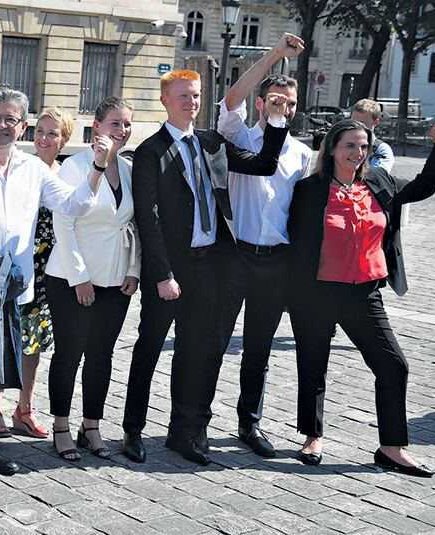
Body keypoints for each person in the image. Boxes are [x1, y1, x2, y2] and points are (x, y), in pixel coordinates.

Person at [0, 87, 105, 498]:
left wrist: (99, 164)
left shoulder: (34, 170)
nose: (2, 125)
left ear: (22, 126)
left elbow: (76, 206)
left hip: (11, 292)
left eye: (11, 119)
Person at [125, 69, 288, 466]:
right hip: (169, 271)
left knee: (197, 353)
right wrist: (163, 275)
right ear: (165, 100)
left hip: (210, 267)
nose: (191, 102)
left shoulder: (213, 143)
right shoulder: (150, 151)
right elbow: (149, 218)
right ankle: (132, 429)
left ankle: (185, 432)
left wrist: (277, 118)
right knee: (148, 349)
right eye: (183, 96)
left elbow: (265, 164)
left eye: (196, 95)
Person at [288, 119, 435, 477]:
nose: (358, 154)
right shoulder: (310, 190)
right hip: (317, 291)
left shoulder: (378, 182)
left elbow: (421, 187)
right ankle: (313, 436)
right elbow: (295, 243)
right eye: (350, 146)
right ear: (332, 149)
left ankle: (391, 448)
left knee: (393, 365)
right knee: (313, 365)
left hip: (365, 293)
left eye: (363, 147)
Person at [213, 33, 312, 459]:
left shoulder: (303, 155)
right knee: (213, 341)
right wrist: (273, 56)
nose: (282, 109)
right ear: (261, 102)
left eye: (289, 105)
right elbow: (231, 97)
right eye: (274, 101)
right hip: (236, 257)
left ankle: (249, 423)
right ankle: (194, 420)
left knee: (259, 349)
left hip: (276, 263)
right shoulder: (239, 138)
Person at [45, 97, 139, 461]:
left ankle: (92, 425)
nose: (122, 130)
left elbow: (134, 223)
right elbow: (64, 222)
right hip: (72, 276)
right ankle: (61, 426)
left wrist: (134, 269)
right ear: (97, 126)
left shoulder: (129, 169)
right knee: (69, 353)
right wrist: (79, 277)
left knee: (102, 354)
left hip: (117, 277)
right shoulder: (76, 166)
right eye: (115, 123)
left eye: (127, 124)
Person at [0, 107, 75, 441]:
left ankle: (24, 408)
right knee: (2, 337)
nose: (43, 138)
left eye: (52, 133)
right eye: (40, 131)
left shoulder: (67, 173)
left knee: (35, 343)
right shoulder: (20, 167)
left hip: (50, 271)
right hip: (17, 265)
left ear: (64, 139)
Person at [350, 98, 395, 172]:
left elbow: (376, 178)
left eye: (363, 124)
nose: (356, 127)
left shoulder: (381, 149)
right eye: (353, 122)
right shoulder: (340, 143)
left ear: (376, 123)